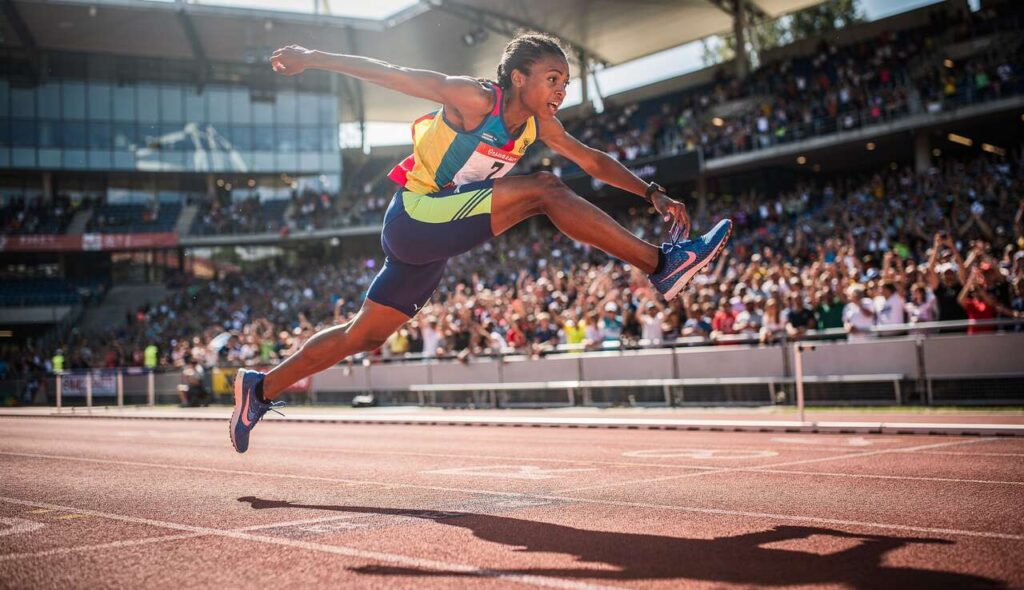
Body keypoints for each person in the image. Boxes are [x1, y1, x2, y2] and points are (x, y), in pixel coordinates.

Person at [229, 34, 733, 453]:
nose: (561, 90)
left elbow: (592, 160)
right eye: (552, 79)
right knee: (545, 190)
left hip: (433, 241)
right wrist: (313, 57)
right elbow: (392, 74)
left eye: (565, 82)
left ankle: (259, 388)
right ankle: (661, 264)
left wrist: (651, 192)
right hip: (415, 217)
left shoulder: (538, 125)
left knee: (361, 336)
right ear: (518, 77)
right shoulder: (474, 99)